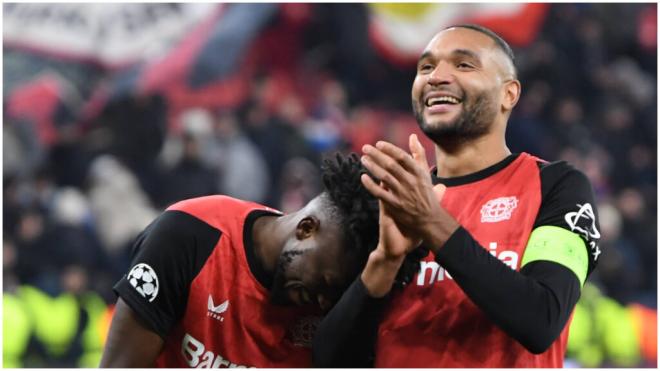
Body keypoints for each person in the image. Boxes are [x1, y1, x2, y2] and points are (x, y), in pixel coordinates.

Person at [313, 24, 601, 368]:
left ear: (509, 94)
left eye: (464, 65)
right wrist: (385, 263)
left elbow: (541, 320)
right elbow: (329, 359)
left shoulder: (557, 186)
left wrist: (432, 223)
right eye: (426, 67)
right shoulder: (389, 204)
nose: (436, 77)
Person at [100, 153, 383, 367]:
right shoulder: (188, 236)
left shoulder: (338, 312)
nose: (323, 303)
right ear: (306, 229)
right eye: (324, 283)